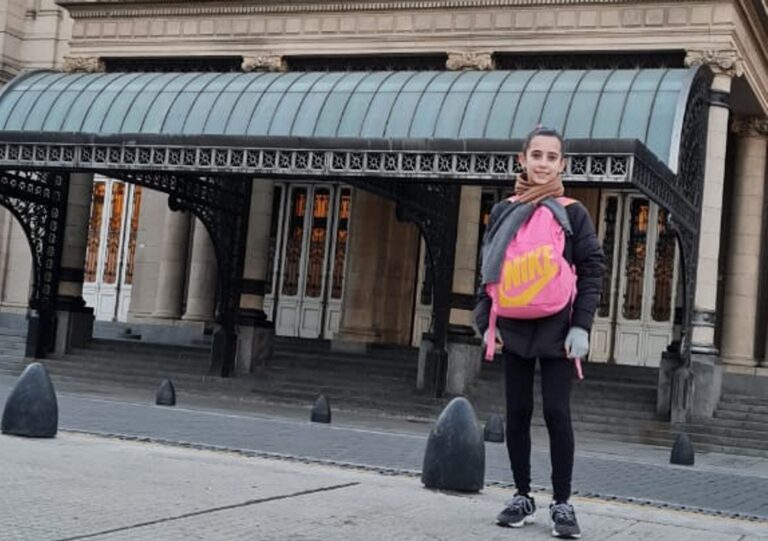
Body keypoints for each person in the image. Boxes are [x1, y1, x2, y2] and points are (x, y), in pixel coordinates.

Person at [474, 126, 604, 539]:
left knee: (556, 413)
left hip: (558, 327)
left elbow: (592, 269)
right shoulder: (503, 210)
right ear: (522, 159)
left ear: (562, 164)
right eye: (536, 155)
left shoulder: (573, 212)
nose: (543, 164)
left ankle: (562, 502)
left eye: (551, 157)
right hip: (513, 324)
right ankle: (522, 495)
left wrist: (581, 324)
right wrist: (484, 321)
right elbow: (488, 269)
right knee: (517, 412)